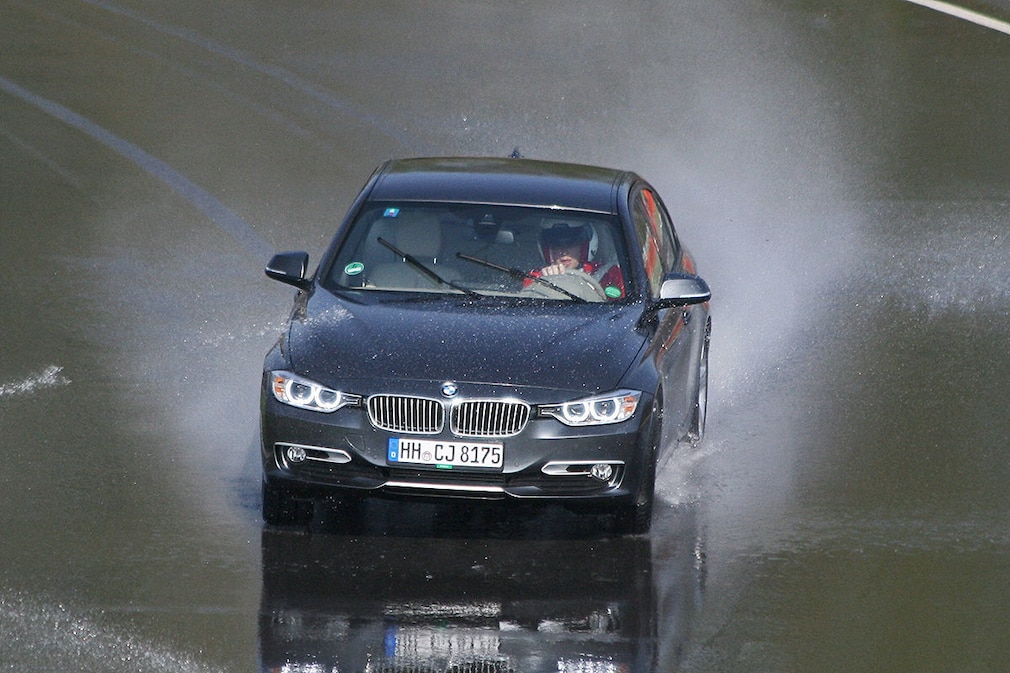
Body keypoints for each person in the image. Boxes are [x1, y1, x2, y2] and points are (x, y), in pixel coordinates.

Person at [524, 221, 625, 300]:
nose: (564, 252)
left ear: (584, 247)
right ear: (547, 250)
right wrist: (547, 281)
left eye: (571, 243)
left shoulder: (607, 273)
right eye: (557, 245)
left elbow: (622, 309)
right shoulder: (537, 277)